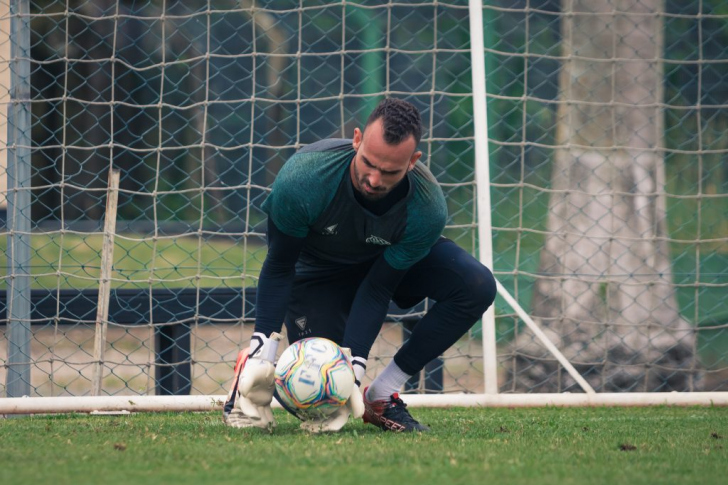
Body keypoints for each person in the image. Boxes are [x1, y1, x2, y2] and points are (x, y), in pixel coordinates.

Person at [223, 98, 496, 433]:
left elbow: (378, 287)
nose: (375, 179)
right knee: (318, 402)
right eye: (368, 163)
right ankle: (249, 365)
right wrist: (263, 349)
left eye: (390, 171)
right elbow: (280, 266)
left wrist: (352, 370)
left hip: (382, 267)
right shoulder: (304, 178)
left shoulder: (427, 208)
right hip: (320, 274)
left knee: (476, 285)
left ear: (413, 161)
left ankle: (382, 395)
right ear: (356, 139)